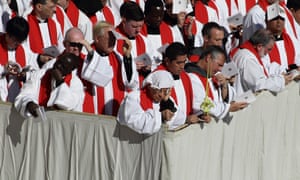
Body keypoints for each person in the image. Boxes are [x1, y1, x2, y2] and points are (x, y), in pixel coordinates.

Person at [80, 21, 137, 115]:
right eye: (109, 38)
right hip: (93, 109)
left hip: (114, 110)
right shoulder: (85, 55)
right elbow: (96, 77)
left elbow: (130, 83)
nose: (113, 42)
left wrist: (127, 57)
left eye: (114, 39)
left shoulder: (118, 58)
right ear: (97, 39)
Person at [185, 45, 248, 119]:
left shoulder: (213, 74)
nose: (220, 69)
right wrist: (227, 108)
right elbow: (201, 104)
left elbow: (228, 98)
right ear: (208, 58)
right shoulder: (191, 77)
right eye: (219, 65)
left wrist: (224, 86)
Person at [14, 53, 85, 118]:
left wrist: (60, 81)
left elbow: (67, 105)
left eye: (63, 66)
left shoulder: (76, 84)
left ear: (70, 70)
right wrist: (29, 103)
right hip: (37, 122)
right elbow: (26, 93)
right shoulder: (40, 74)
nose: (58, 66)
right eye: (59, 62)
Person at [155, 42, 211, 124]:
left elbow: (191, 102)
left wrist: (200, 114)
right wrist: (184, 119)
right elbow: (161, 111)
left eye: (184, 62)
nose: (182, 66)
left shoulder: (185, 77)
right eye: (178, 63)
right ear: (167, 61)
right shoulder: (158, 78)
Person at [0, 16, 51, 102]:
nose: (18, 44)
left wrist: (24, 75)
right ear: (8, 34)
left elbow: (32, 61)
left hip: (15, 96)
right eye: (16, 41)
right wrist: (4, 69)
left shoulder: (22, 49)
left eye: (21, 41)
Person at [232, 29, 293, 95]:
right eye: (269, 49)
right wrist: (281, 81)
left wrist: (281, 72)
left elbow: (266, 68)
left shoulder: (247, 52)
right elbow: (259, 85)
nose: (269, 53)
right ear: (259, 46)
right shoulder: (248, 59)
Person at [117, 70, 179, 134]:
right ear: (149, 86)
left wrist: (168, 105)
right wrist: (160, 116)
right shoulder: (134, 97)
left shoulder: (167, 99)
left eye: (165, 91)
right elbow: (135, 121)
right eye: (159, 90)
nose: (161, 94)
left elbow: (177, 119)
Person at [265, 3, 300, 70]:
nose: (279, 21)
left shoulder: (292, 40)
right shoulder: (261, 43)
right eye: (275, 18)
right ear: (267, 21)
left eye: (281, 19)